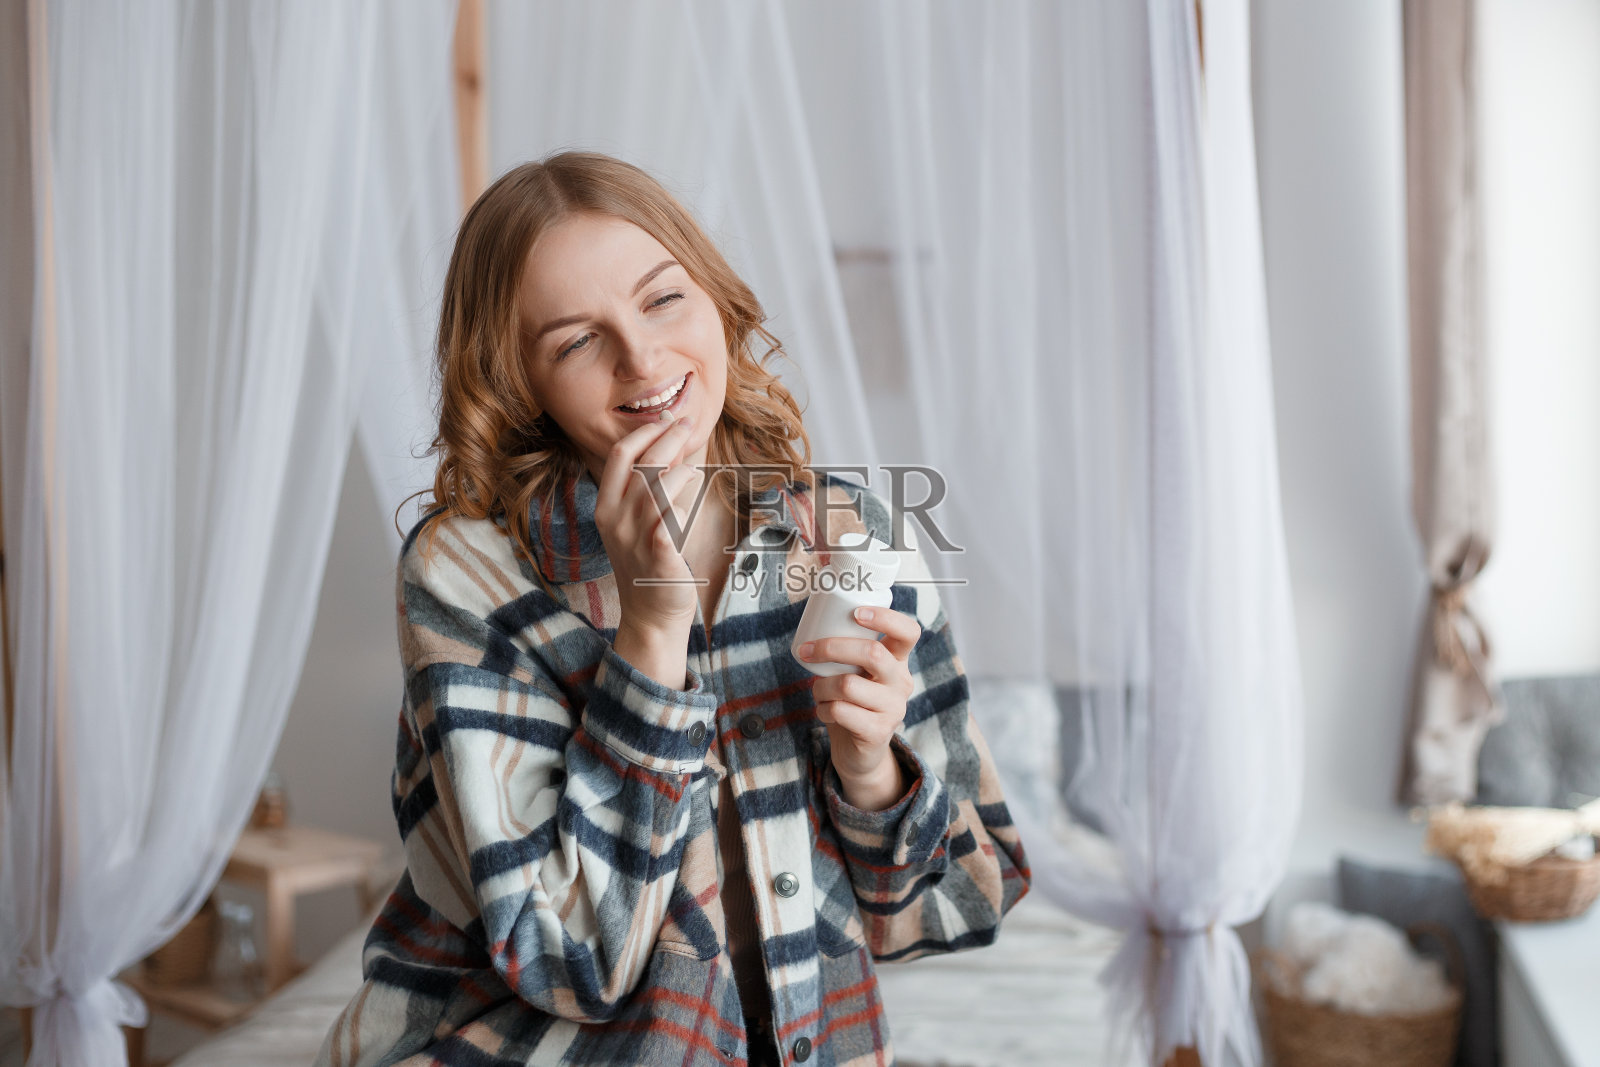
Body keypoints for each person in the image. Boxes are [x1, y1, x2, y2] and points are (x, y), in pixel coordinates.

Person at [315, 151, 1031, 1067]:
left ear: (716, 298)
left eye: (663, 299)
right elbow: (569, 963)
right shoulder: (467, 571)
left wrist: (870, 775)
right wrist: (650, 634)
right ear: (518, 382)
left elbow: (967, 900)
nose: (642, 358)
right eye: (575, 341)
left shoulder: (844, 533)